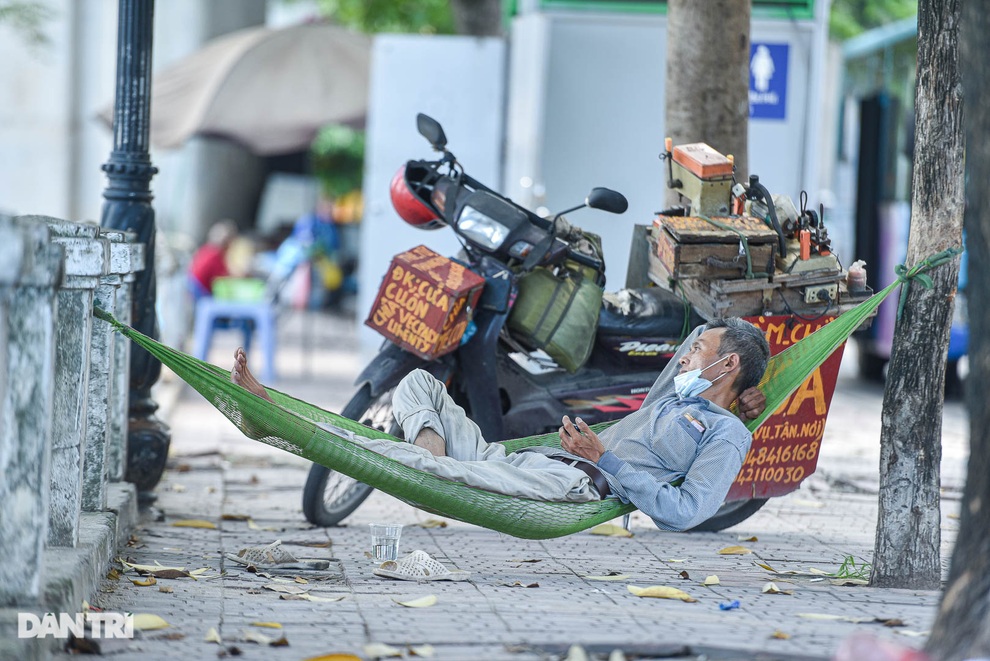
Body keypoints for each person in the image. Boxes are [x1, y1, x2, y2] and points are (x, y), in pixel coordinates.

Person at [230, 317, 769, 532]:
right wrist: (734, 381)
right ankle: (436, 467)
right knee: (418, 384)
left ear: (727, 366)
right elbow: (698, 335)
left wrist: (606, 459)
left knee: (391, 457)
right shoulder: (674, 399)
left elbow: (686, 513)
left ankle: (275, 411)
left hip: (569, 485)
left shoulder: (725, 435)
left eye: (698, 351)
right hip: (522, 460)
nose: (684, 357)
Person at [189, 219, 238, 296]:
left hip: (193, 288)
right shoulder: (215, 255)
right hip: (200, 292)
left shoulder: (205, 249)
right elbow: (224, 277)